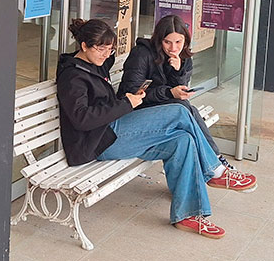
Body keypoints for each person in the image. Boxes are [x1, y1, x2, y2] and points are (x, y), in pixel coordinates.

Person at [56, 18, 257, 239]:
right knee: (180, 111)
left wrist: (106, 37)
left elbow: (111, 54)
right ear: (83, 46)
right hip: (98, 142)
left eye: (109, 48)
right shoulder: (72, 76)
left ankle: (187, 216)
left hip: (113, 130)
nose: (106, 54)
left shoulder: (94, 62)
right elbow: (81, 119)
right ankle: (214, 171)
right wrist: (126, 103)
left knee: (183, 140)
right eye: (101, 49)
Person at [118, 14, 240, 171]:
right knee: (185, 110)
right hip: (137, 112)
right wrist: (169, 93)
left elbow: (180, 88)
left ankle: (213, 163)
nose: (173, 48)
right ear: (158, 39)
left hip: (167, 109)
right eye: (167, 42)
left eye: (178, 42)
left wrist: (178, 71)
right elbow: (131, 94)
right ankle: (215, 160)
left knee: (185, 120)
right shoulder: (142, 54)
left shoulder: (183, 56)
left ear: (185, 41)